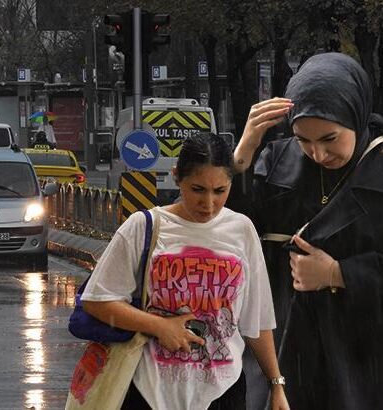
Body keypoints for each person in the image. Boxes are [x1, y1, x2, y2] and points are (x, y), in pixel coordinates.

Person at [81, 133, 289, 410]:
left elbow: (258, 320)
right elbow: (97, 300)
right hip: (149, 390)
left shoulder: (242, 230)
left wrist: (276, 385)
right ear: (177, 177)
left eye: (220, 191)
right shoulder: (143, 227)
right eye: (198, 189)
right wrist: (159, 326)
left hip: (223, 392)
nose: (209, 204)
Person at [231, 52, 383, 409]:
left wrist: (339, 273)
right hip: (282, 342)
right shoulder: (276, 161)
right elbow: (224, 235)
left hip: (361, 352)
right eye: (303, 139)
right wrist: (242, 155)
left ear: (357, 118)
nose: (318, 153)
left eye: (330, 138)